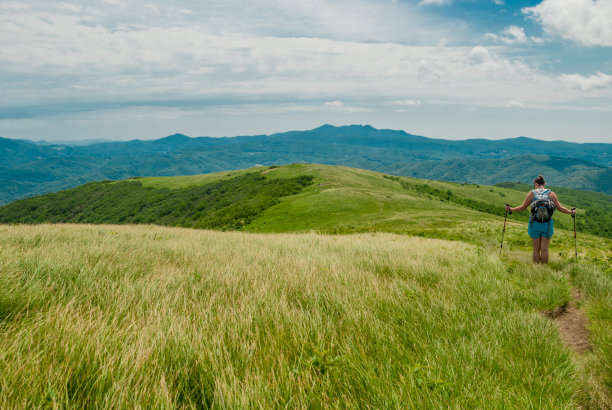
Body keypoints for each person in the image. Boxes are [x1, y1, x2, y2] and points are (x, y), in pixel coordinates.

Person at [506, 175, 575, 264]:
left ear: (535, 184)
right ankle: (544, 270)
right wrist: (571, 212)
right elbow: (560, 208)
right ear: (544, 184)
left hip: (534, 223)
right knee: (545, 249)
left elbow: (522, 208)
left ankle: (536, 270)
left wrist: (510, 209)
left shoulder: (531, 193)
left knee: (536, 249)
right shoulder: (551, 194)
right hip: (547, 224)